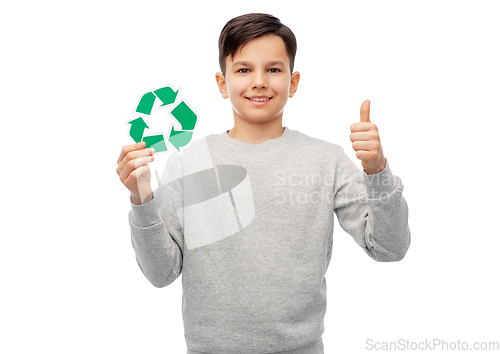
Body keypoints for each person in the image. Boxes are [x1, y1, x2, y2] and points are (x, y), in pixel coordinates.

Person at [116, 13, 411, 354]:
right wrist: (142, 200)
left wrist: (377, 171)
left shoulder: (325, 161)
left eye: (273, 69)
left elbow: (390, 247)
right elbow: (161, 274)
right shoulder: (189, 163)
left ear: (293, 81)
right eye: (243, 70)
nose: (259, 81)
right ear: (222, 83)